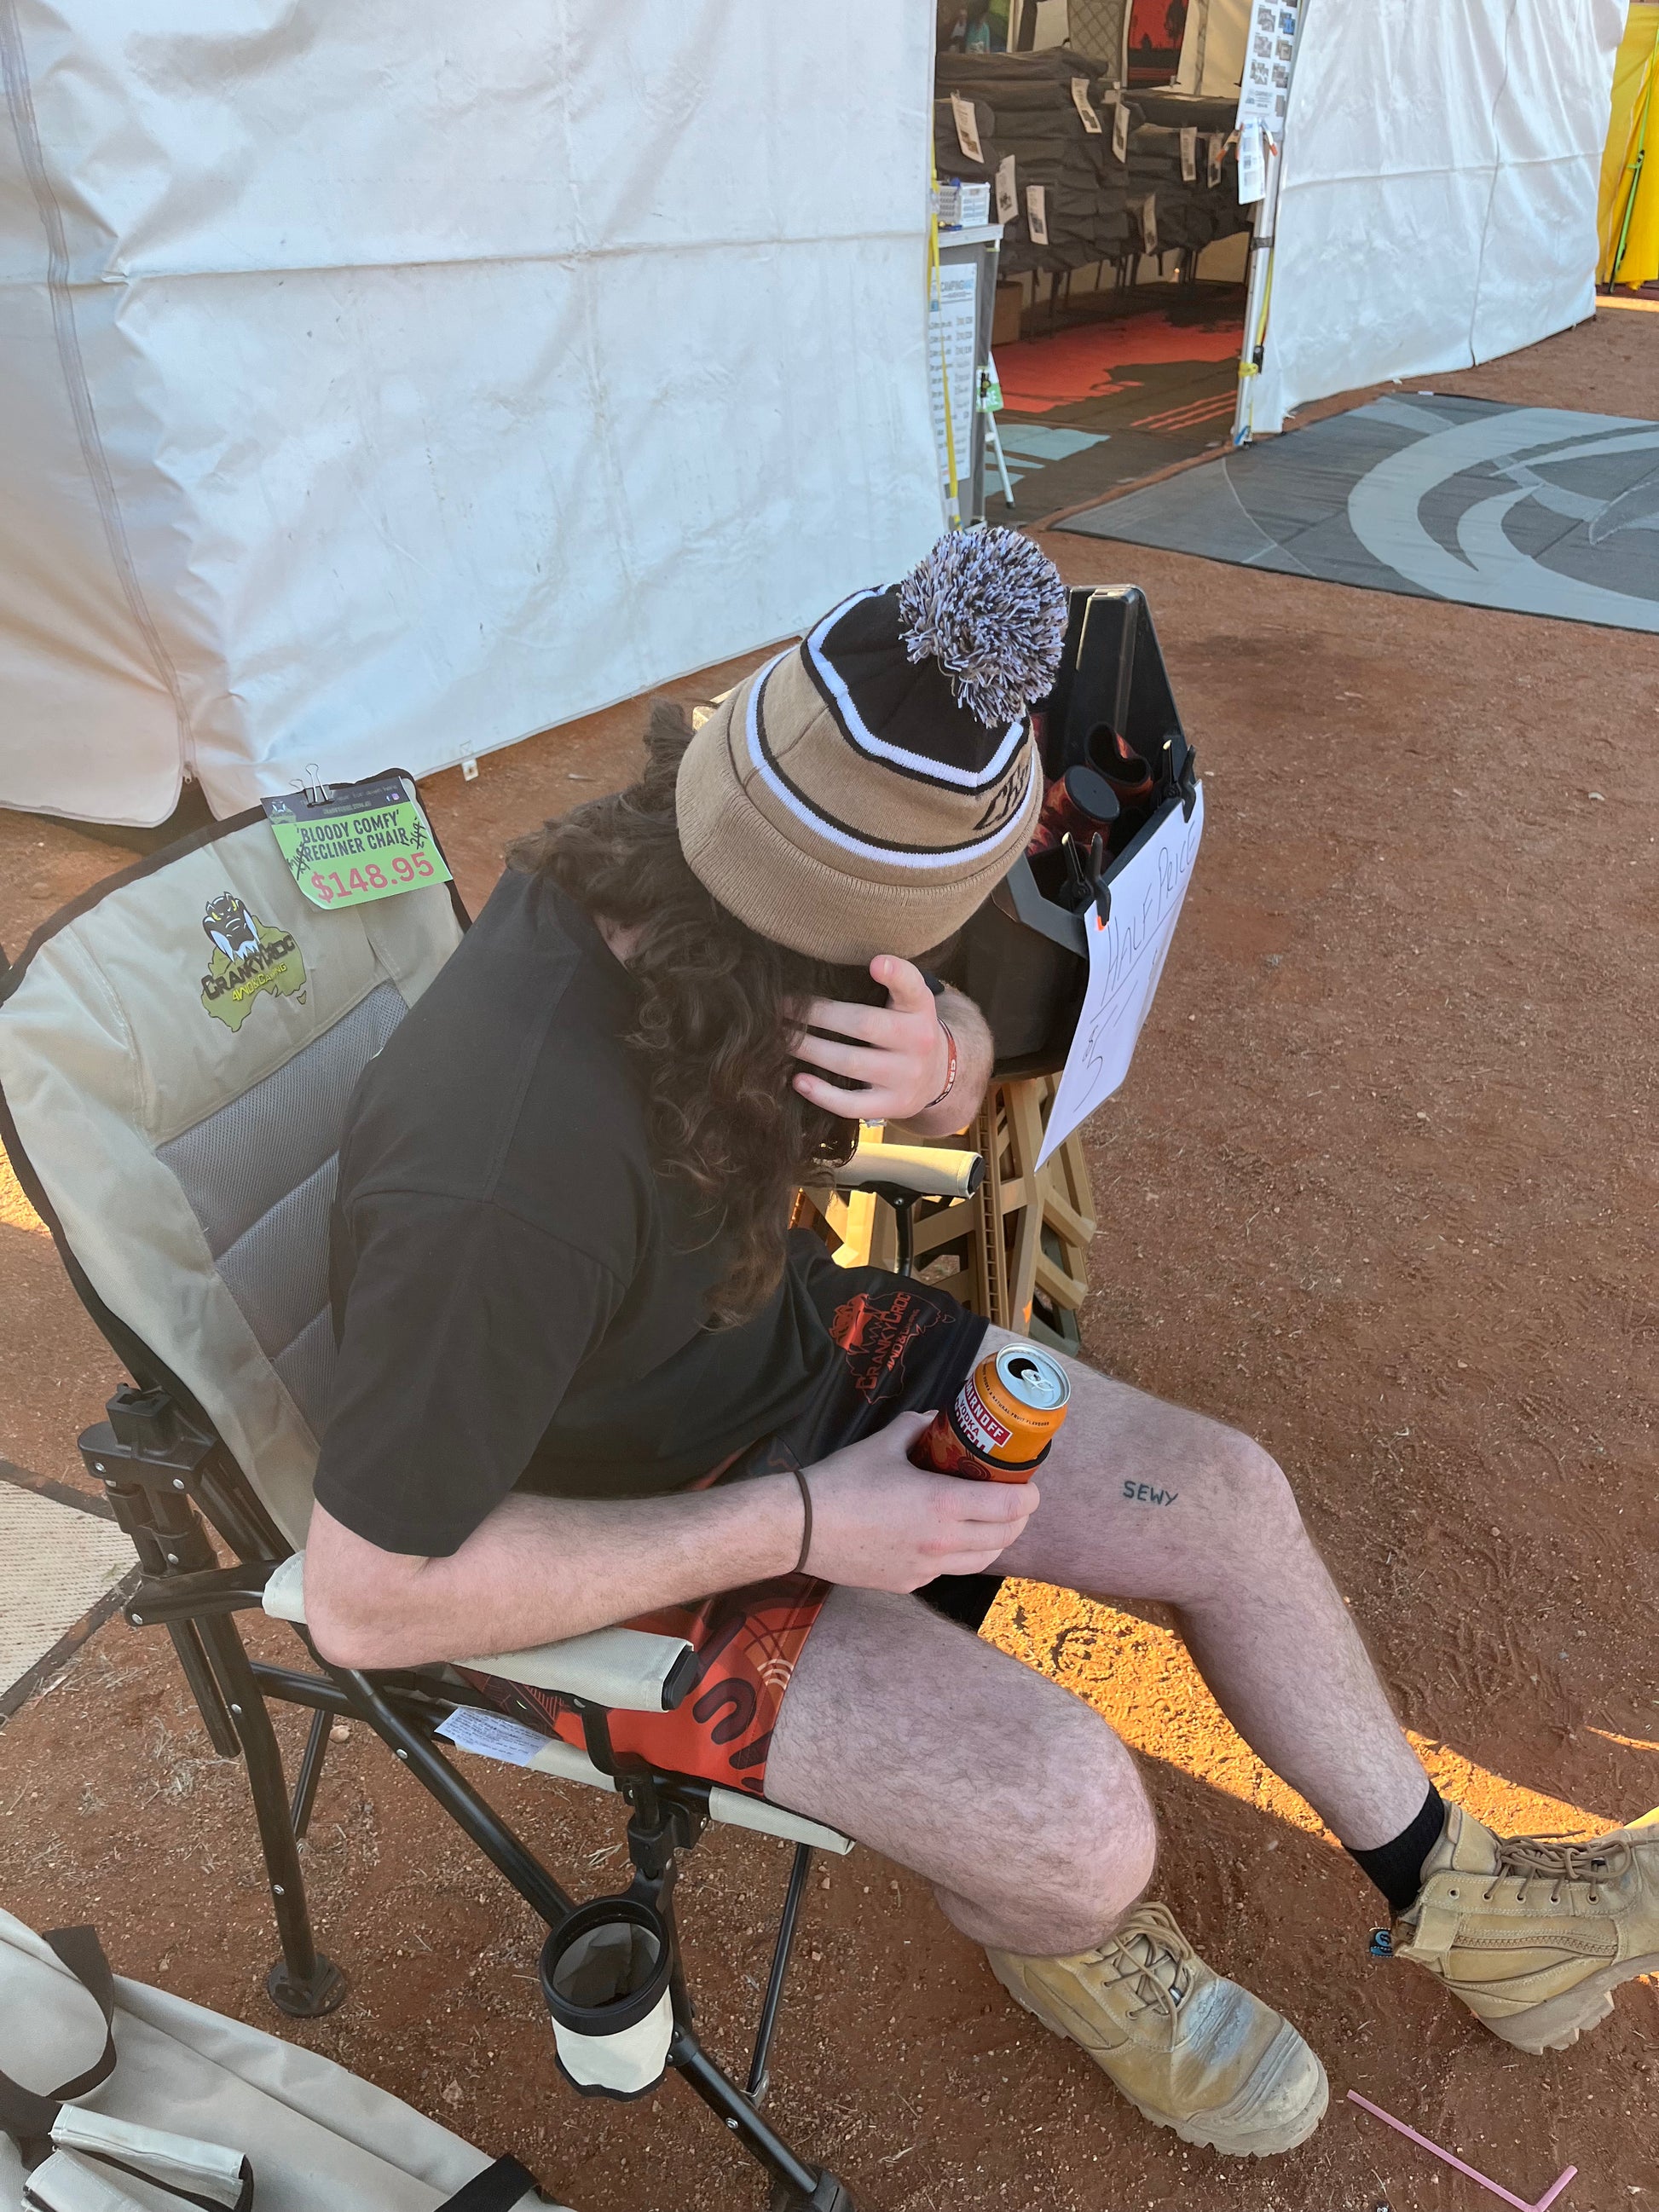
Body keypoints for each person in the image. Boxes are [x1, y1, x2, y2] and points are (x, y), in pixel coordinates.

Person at [304, 528, 1659, 2157]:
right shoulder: (505, 1181)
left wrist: (937, 1055)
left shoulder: (727, 872)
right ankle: (1068, 1945)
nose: (931, 965)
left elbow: (956, 1063)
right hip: (598, 1536)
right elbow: (368, 1598)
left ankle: (1460, 1892)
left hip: (767, 1358)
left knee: (1222, 1495)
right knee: (1073, 1818)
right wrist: (812, 1523)